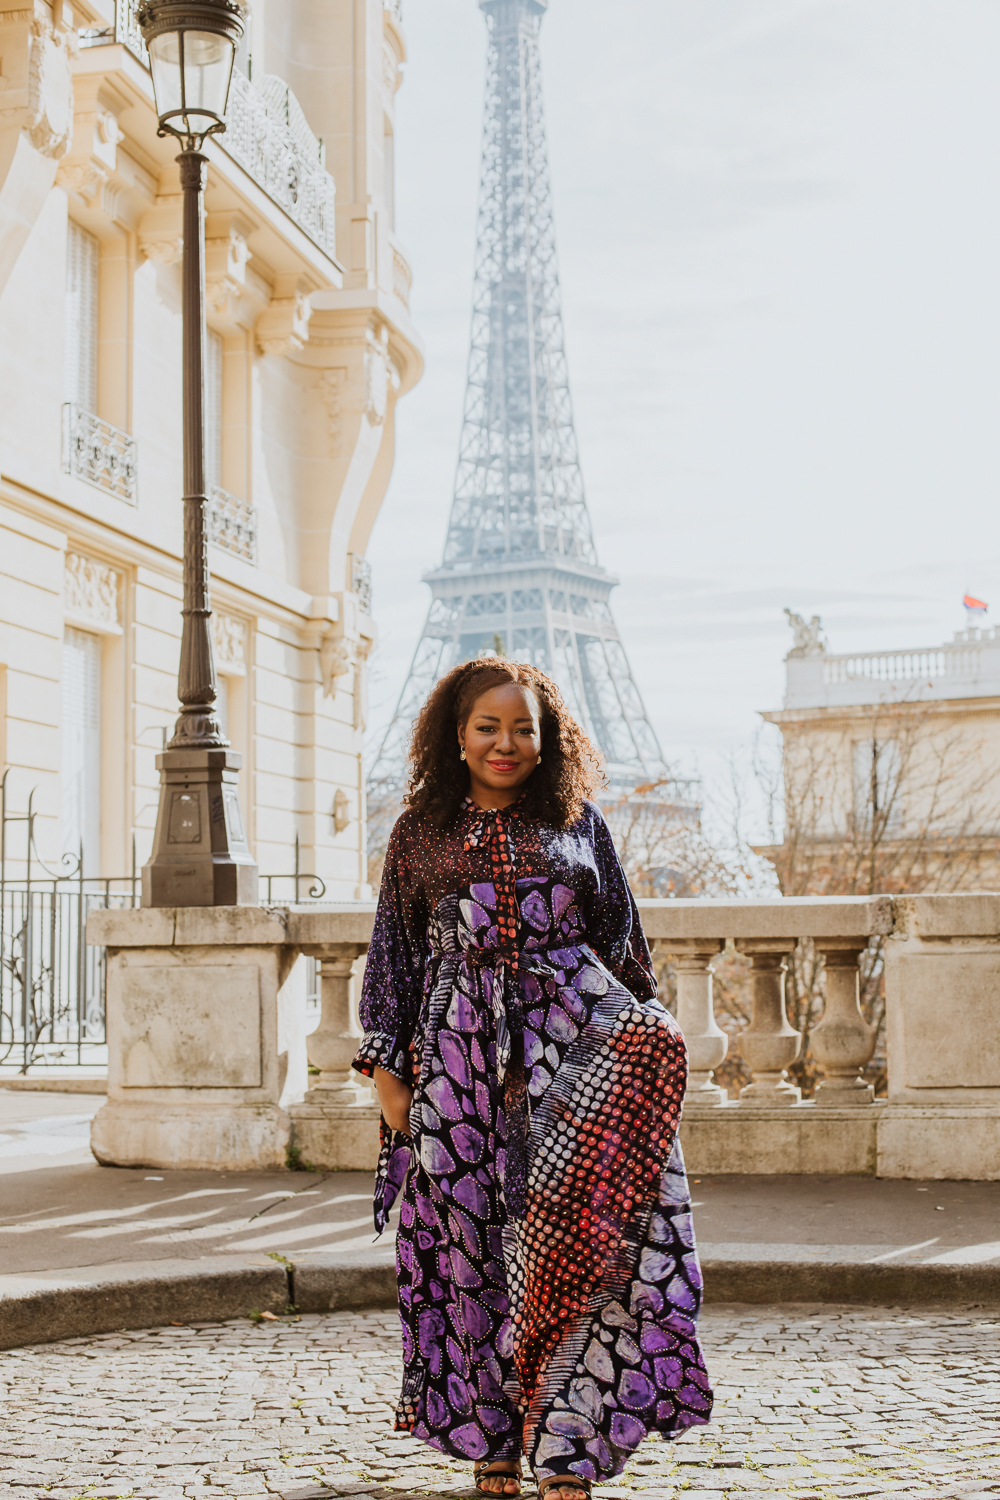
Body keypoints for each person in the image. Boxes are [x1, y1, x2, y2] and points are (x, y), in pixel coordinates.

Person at [353, 660, 712, 1500]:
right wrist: (388, 1074)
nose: (506, 744)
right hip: (455, 1062)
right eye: (488, 727)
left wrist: (643, 1041)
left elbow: (623, 945)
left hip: (572, 1059)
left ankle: (570, 1445)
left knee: (582, 1248)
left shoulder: (579, 822)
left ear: (549, 741)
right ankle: (492, 1438)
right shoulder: (419, 831)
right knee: (469, 1247)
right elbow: (395, 957)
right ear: (456, 733)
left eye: (524, 729)